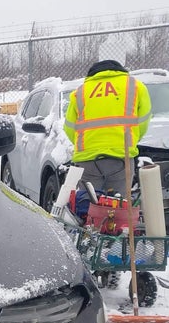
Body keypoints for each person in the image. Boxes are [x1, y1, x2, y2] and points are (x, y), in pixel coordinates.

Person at [63, 60, 152, 219]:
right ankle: (113, 242)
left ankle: (88, 239)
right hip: (120, 157)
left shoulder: (80, 92)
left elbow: (69, 128)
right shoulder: (135, 87)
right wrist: (130, 141)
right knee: (117, 209)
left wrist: (86, 145)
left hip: (87, 160)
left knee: (86, 208)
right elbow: (143, 122)